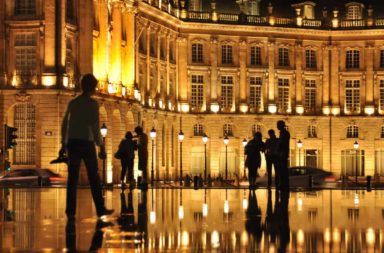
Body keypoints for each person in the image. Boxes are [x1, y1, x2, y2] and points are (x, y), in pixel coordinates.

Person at [60, 73, 114, 220]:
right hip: (86, 143)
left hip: (73, 143)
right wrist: (101, 146)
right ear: (92, 88)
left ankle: (70, 211)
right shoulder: (92, 104)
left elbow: (65, 124)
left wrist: (63, 143)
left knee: (73, 177)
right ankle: (100, 208)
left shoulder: (73, 103)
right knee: (94, 177)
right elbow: (95, 127)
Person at [276, 120, 290, 190]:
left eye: (278, 125)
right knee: (282, 169)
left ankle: (283, 184)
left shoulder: (284, 133)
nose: (277, 126)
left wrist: (279, 151)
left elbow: (282, 143)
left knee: (283, 169)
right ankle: (283, 184)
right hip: (283, 152)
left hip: (283, 152)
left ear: (281, 125)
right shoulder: (283, 132)